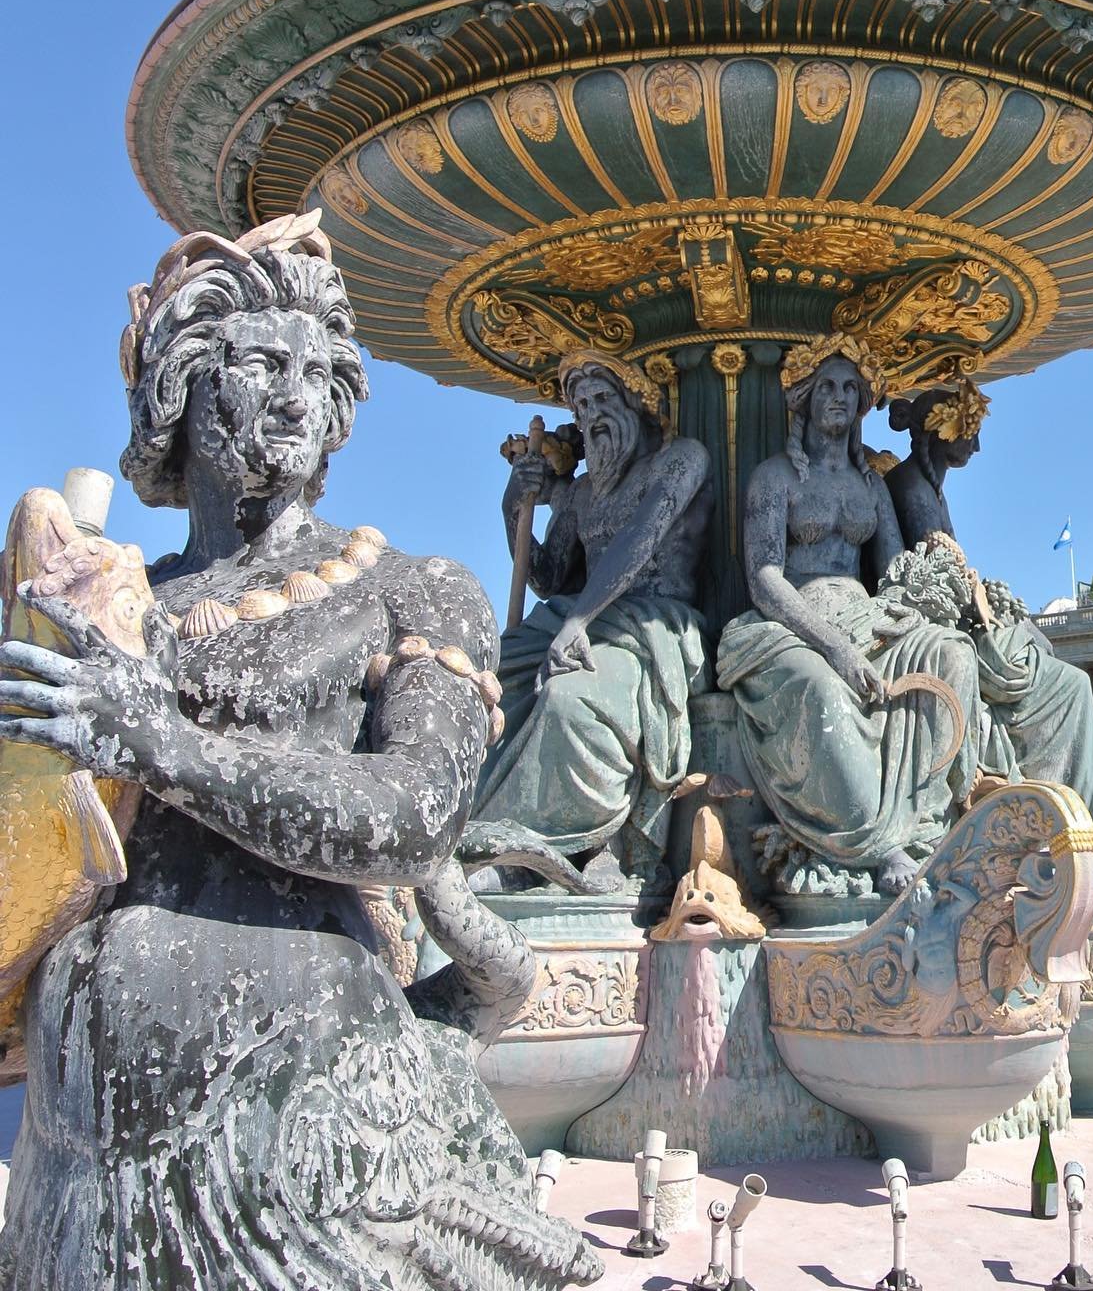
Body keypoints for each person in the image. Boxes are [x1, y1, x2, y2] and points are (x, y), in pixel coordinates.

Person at [0, 214, 600, 1290]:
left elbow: (415, 815)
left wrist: (162, 746)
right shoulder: (116, 608)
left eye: (321, 375)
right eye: (262, 365)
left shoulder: (407, 590)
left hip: (299, 1142)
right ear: (180, 389)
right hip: (77, 1146)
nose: (295, 396)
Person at [716, 336, 999, 895]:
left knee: (952, 655)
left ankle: (929, 821)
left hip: (864, 613)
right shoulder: (775, 478)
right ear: (804, 397)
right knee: (820, 689)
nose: (840, 397)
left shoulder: (869, 484)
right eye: (827, 386)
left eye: (851, 387)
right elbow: (764, 578)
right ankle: (871, 840)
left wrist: (936, 594)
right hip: (788, 624)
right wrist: (836, 647)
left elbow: (894, 571)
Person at [471, 351, 713, 889]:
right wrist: (514, 506)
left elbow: (639, 541)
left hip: (652, 625)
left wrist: (579, 621)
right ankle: (472, 826)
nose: (592, 414)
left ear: (639, 402)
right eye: (581, 405)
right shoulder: (582, 492)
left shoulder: (682, 460)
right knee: (489, 677)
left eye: (603, 399)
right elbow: (550, 576)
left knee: (568, 701)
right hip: (576, 617)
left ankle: (539, 852)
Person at [885, 381, 1093, 876]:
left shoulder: (930, 488)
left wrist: (993, 606)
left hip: (956, 620)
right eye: (970, 431)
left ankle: (1087, 837)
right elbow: (931, 578)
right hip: (937, 627)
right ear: (944, 429)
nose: (976, 446)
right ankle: (1077, 834)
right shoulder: (911, 487)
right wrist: (986, 608)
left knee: (1056, 666)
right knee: (1072, 685)